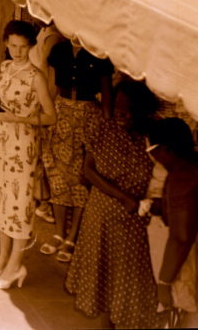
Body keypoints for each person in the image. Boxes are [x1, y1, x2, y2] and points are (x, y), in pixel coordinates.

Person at [65, 78, 161, 329]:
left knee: (128, 283)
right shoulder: (102, 128)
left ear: (143, 110)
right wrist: (123, 197)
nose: (121, 114)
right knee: (104, 279)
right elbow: (88, 171)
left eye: (128, 110)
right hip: (102, 218)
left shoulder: (154, 136)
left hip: (135, 225)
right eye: (118, 108)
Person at [0, 20, 57, 289]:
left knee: (19, 203)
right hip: (3, 140)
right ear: (6, 44)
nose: (17, 52)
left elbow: (50, 116)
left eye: (23, 47)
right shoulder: (6, 67)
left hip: (24, 145)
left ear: (31, 47)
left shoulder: (37, 77)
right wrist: (0, 113)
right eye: (13, 46)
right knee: (1, 200)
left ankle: (15, 265)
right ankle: (2, 258)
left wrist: (18, 118)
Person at [38, 40, 114, 263]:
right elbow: (51, 87)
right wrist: (46, 114)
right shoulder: (59, 50)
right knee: (57, 175)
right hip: (61, 111)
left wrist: (108, 128)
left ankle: (72, 237)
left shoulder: (99, 53)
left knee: (81, 176)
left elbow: (107, 93)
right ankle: (58, 233)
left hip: (88, 115)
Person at [147, 117, 198, 326]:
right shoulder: (192, 165)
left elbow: (181, 237)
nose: (151, 155)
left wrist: (164, 283)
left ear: (166, 150)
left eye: (152, 150)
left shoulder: (182, 177)